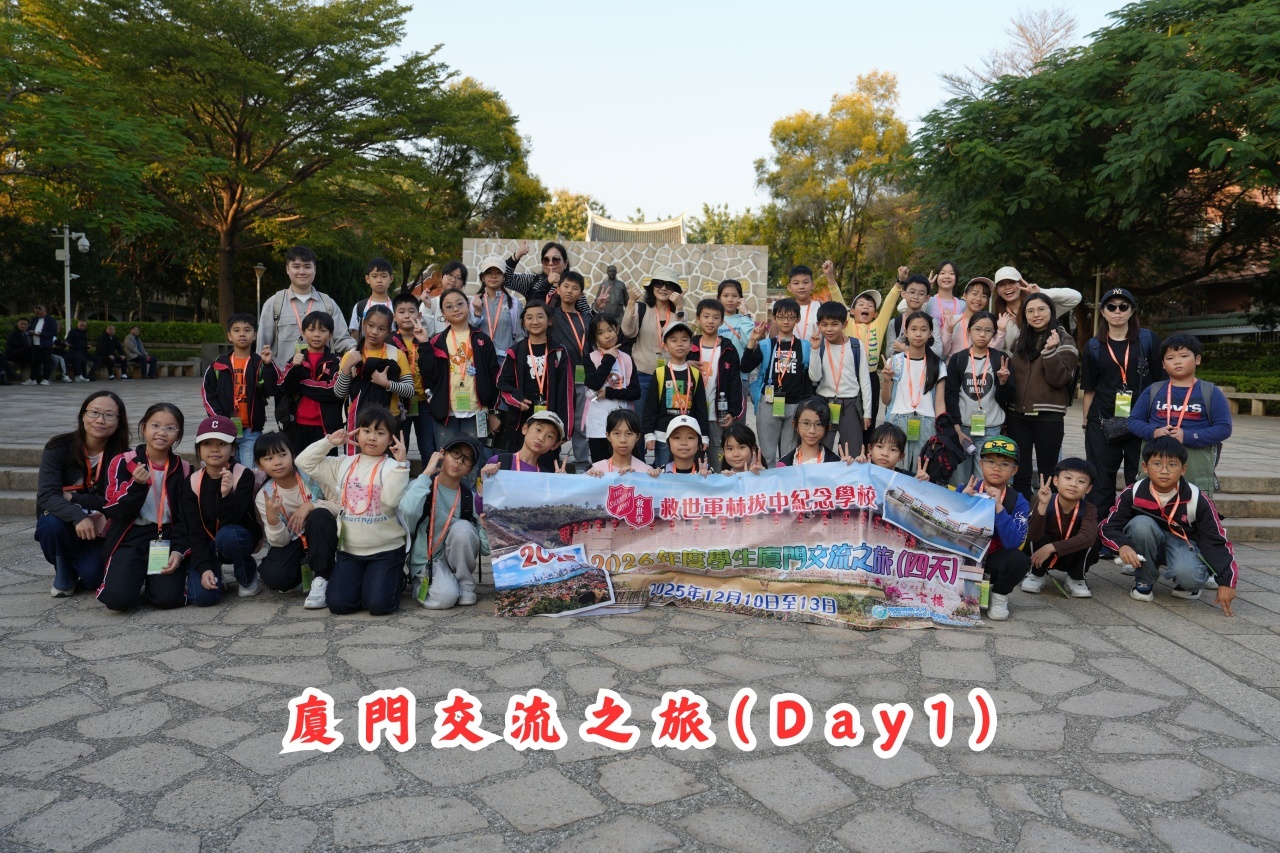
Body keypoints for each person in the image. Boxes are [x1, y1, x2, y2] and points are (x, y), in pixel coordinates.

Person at [1101, 436, 1237, 612]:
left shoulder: (1197, 498)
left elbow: (1215, 540)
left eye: (1172, 465)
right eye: (1157, 464)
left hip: (1184, 543)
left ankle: (1188, 579)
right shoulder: (1133, 492)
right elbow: (1108, 526)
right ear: (1145, 467)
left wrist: (1227, 581)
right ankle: (1145, 578)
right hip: (1148, 542)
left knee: (1190, 579)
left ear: (1183, 469)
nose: (1164, 471)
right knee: (1140, 524)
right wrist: (1122, 546)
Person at [296, 407, 411, 616]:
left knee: (378, 605)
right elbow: (303, 462)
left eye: (380, 433)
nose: (372, 438)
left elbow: (391, 500)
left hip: (385, 551)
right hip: (350, 552)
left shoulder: (394, 467)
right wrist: (329, 442)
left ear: (390, 439)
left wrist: (402, 464)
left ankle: (392, 579)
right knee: (338, 605)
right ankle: (370, 583)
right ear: (357, 433)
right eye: (366, 431)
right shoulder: (343, 463)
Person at [95, 403, 194, 611]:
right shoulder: (124, 462)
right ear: (143, 427)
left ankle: (153, 581)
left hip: (166, 538)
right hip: (131, 537)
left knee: (167, 599)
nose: (162, 432)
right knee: (118, 600)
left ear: (179, 434)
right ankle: (132, 574)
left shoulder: (184, 469)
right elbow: (114, 509)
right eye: (155, 425)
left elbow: (186, 518)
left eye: (170, 428)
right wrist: (137, 486)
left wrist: (178, 551)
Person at [37, 391, 130, 597]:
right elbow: (47, 495)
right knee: (51, 524)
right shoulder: (58, 447)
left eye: (109, 415)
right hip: (64, 522)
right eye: (94, 412)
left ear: (119, 422)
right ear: (82, 415)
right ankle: (64, 569)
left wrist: (74, 498)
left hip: (101, 529)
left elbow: (115, 501)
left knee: (92, 579)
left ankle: (81, 564)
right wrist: (78, 516)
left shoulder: (124, 456)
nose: (100, 420)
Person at [1082, 287, 1163, 518]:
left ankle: (1135, 528)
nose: (1117, 311)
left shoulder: (1148, 340)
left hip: (1142, 422)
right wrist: (1087, 424)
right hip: (1103, 420)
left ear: (1132, 311)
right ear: (1103, 312)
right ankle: (1100, 529)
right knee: (1100, 480)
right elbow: (1089, 388)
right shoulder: (1094, 346)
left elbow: (1161, 383)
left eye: (1123, 306)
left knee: (1138, 479)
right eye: (1111, 307)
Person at [1127, 333, 1231, 496]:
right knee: (1153, 501)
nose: (1177, 361)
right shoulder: (1154, 390)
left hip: (1194, 461)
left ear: (1197, 359)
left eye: (1183, 356)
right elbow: (1133, 421)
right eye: (1170, 358)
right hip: (1157, 457)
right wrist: (1154, 432)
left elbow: (1224, 428)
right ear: (1163, 364)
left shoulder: (1210, 392)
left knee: (1192, 503)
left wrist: (1188, 436)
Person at [416, 288, 501, 482]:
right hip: (446, 413)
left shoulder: (482, 339)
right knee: (446, 461)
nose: (455, 309)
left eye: (460, 304)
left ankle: (468, 499)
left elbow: (494, 376)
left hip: (476, 412)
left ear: (468, 306)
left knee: (471, 463)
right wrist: (424, 344)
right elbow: (429, 375)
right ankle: (446, 498)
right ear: (443, 313)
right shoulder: (437, 341)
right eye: (449, 306)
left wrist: (492, 412)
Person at [181, 416, 265, 604]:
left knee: (229, 535)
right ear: (199, 449)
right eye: (207, 443)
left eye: (222, 443)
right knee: (203, 598)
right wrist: (205, 567)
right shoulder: (192, 482)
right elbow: (194, 530)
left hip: (236, 536)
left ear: (233, 449)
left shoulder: (242, 475)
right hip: (207, 544)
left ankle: (247, 576)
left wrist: (226, 495)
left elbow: (234, 519)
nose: (214, 449)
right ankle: (215, 569)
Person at [1006, 294, 1080, 499]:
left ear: (1051, 311)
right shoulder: (1020, 340)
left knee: (1048, 474)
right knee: (1019, 471)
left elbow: (1060, 379)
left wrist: (1050, 352)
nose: (1036, 315)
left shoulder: (1064, 339)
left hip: (1048, 416)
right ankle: (1021, 512)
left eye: (1041, 309)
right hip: (1017, 415)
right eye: (1030, 311)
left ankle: (1046, 513)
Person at [253, 431, 339, 607]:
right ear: (259, 465)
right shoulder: (265, 495)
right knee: (274, 576)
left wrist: (311, 505)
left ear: (292, 455)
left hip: (325, 532)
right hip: (295, 540)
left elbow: (341, 505)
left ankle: (322, 578)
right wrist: (273, 520)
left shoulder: (312, 475)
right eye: (269, 458)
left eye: (282, 455)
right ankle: (304, 575)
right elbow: (280, 542)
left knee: (319, 516)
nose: (278, 462)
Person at [404, 436, 487, 610]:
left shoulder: (470, 498)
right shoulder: (421, 486)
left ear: (471, 468)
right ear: (442, 454)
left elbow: (485, 549)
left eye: (467, 459)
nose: (459, 461)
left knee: (463, 528)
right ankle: (423, 585)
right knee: (445, 598)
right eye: (455, 453)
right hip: (426, 562)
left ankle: (464, 584)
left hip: (454, 560)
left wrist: (486, 527)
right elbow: (407, 513)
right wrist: (426, 473)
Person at [495, 301, 573, 468]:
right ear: (523, 322)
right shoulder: (515, 351)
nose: (534, 321)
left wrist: (565, 429)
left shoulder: (559, 352)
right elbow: (502, 383)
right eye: (529, 318)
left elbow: (566, 391)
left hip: (550, 422)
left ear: (549, 320)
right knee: (520, 467)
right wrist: (517, 400)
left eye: (540, 317)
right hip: (521, 423)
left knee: (546, 468)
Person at [257, 246, 356, 375]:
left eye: (307, 267)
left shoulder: (328, 304)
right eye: (296, 266)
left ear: (315, 269)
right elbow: (262, 346)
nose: (302, 272)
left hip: (321, 380)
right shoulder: (274, 304)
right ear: (287, 269)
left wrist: (356, 350)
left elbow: (342, 339)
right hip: (283, 381)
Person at [965, 435, 1031, 622]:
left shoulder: (1018, 501)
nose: (996, 468)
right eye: (991, 461)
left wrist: (999, 508)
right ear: (981, 463)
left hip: (992, 562)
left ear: (1014, 470)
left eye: (1005, 464)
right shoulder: (966, 489)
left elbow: (1014, 542)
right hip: (964, 557)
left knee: (1019, 560)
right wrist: (962, 501)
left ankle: (1000, 596)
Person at [944, 311, 1014, 488]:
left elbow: (1007, 398)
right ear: (969, 331)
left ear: (994, 334)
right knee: (959, 481)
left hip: (991, 428)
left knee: (985, 480)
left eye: (988, 330)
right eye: (977, 329)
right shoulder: (958, 359)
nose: (982, 334)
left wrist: (1003, 382)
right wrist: (956, 428)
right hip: (962, 429)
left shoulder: (1001, 359)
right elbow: (950, 395)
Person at [201, 313, 277, 469]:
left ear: (254, 335)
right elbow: (207, 395)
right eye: (236, 330)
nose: (242, 334)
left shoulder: (260, 363)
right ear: (230, 335)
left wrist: (268, 365)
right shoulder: (218, 364)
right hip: (225, 430)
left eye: (247, 330)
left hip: (251, 430)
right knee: (228, 469)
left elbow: (271, 389)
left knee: (249, 470)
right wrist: (220, 420)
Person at [742, 298, 812, 467]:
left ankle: (785, 483)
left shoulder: (804, 346)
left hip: (795, 406)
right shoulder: (766, 345)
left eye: (790, 317)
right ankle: (769, 482)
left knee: (790, 454)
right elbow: (745, 366)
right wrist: (752, 341)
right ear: (774, 318)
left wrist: (807, 406)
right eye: (781, 317)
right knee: (767, 454)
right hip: (769, 403)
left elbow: (809, 378)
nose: (786, 321)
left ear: (798, 319)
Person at [336, 305, 414, 446]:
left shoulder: (397, 355)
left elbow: (409, 391)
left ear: (389, 331)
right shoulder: (350, 356)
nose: (374, 332)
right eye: (371, 325)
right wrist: (347, 367)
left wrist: (387, 384)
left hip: (389, 422)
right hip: (359, 424)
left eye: (381, 329)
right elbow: (339, 393)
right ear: (363, 324)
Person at [1022, 458, 1099, 598]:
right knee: (1036, 532)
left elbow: (1087, 538)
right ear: (1056, 481)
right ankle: (1035, 574)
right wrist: (1042, 506)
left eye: (1081, 481)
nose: (1073, 484)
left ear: (1088, 489)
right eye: (1068, 478)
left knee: (1093, 538)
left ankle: (1076, 578)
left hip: (1070, 555)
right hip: (1040, 556)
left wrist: (1051, 548)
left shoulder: (1089, 509)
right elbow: (1032, 535)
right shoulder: (1044, 501)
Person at [881, 311, 946, 470]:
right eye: (914, 329)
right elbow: (886, 400)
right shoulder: (894, 361)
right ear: (906, 332)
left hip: (927, 423)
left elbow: (939, 403)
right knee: (895, 470)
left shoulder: (937, 364)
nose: (918, 334)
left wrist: (941, 432)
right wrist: (887, 380)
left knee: (922, 472)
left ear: (930, 333)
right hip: (898, 421)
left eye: (923, 330)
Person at [642, 321, 710, 469]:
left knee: (687, 472)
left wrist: (704, 435)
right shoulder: (660, 373)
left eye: (684, 340)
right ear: (666, 346)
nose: (679, 344)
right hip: (663, 436)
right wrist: (648, 434)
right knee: (663, 472)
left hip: (688, 436)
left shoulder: (695, 374)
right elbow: (650, 407)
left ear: (691, 345)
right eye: (674, 340)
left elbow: (701, 408)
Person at [807, 301, 872, 453]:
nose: (829, 329)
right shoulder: (819, 345)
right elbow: (814, 378)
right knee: (821, 450)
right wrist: (815, 350)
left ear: (844, 324)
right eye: (824, 324)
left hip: (850, 404)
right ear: (818, 325)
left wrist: (867, 413)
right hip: (824, 403)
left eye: (834, 324)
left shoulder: (856, 345)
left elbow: (865, 381)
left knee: (854, 451)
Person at [621, 267, 684, 425]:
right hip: (642, 374)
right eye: (659, 283)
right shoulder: (640, 308)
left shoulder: (679, 312)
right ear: (652, 286)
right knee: (640, 422)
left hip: (670, 375)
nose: (663, 288)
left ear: (675, 290)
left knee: (668, 422)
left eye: (669, 285)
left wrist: (679, 308)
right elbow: (627, 331)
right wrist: (631, 302)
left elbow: (681, 337)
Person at [277, 310, 343, 456]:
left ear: (330, 334)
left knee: (325, 466)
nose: (316, 335)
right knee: (297, 465)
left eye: (323, 330)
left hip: (325, 427)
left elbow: (333, 391)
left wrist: (303, 384)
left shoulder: (336, 361)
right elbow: (284, 387)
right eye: (311, 330)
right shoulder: (296, 359)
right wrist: (295, 368)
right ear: (303, 332)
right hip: (297, 425)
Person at [690, 298, 745, 468]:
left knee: (719, 465)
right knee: (692, 465)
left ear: (722, 321)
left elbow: (735, 384)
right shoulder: (689, 347)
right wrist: (685, 364)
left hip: (717, 417)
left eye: (715, 317)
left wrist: (733, 412)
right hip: (692, 416)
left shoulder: (728, 349)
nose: (710, 321)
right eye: (706, 316)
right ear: (698, 319)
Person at [548, 270, 594, 469]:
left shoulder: (586, 318)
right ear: (558, 289)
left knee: (580, 421)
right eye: (565, 286)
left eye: (575, 288)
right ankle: (551, 460)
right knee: (556, 417)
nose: (569, 291)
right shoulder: (551, 316)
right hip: (559, 376)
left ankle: (582, 462)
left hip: (582, 377)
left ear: (581, 294)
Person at [582, 315, 640, 463]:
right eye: (601, 333)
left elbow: (635, 392)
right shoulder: (590, 358)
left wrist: (609, 393)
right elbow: (594, 383)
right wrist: (608, 358)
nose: (607, 335)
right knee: (600, 465)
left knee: (627, 464)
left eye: (610, 330)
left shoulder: (626, 358)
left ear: (617, 330)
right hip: (598, 423)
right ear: (595, 337)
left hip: (622, 424)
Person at [990, 266, 1082, 352]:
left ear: (1021, 284)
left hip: (1046, 362)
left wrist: (1041, 292)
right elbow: (993, 350)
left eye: (1011, 282)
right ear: (997, 290)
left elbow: (1075, 297)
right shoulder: (996, 318)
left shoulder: (1043, 309)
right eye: (1002, 284)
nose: (1007, 287)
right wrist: (1001, 331)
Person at [391, 290, 434, 463]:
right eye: (401, 312)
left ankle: (429, 479)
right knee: (402, 445)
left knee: (428, 447)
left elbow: (431, 369)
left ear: (419, 315)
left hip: (423, 402)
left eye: (411, 311)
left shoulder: (425, 339)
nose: (407, 315)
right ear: (394, 317)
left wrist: (424, 344)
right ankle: (400, 477)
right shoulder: (390, 342)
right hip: (400, 402)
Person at [469, 256, 525, 366]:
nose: (493, 276)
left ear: (504, 277)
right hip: (481, 360)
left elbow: (520, 337)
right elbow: (469, 332)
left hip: (506, 362)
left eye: (498, 272)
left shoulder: (514, 303)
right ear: (482, 277)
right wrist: (477, 314)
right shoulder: (474, 302)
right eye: (489, 272)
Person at [504, 241, 590, 311]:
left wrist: (596, 308)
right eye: (546, 259)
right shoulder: (532, 280)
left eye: (556, 259)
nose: (550, 263)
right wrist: (516, 256)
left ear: (565, 263)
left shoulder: (574, 287)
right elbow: (505, 279)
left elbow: (586, 317)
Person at [481, 410, 566, 475]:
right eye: (538, 430)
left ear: (555, 445)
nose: (541, 438)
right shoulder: (500, 461)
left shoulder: (545, 476)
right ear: (525, 429)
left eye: (549, 436)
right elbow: (482, 493)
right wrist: (483, 480)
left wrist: (560, 484)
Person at [716, 279, 757, 409]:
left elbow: (749, 341)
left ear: (740, 299)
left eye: (734, 296)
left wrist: (746, 314)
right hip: (718, 374)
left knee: (738, 414)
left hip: (739, 376)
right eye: (725, 296)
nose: (730, 300)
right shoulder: (715, 320)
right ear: (718, 298)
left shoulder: (745, 320)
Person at [942, 278, 1006, 358]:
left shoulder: (989, 323)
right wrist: (949, 329)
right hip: (955, 365)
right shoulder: (953, 320)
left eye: (984, 296)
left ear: (987, 302)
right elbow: (943, 352)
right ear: (965, 296)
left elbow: (993, 352)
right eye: (974, 294)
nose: (978, 299)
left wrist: (1001, 331)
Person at [777, 398, 845, 465]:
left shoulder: (836, 462)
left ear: (827, 428)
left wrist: (846, 468)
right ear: (795, 425)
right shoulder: (784, 464)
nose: (812, 430)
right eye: (806, 423)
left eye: (818, 424)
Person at [887, 276, 942, 359]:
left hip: (925, 367)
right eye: (912, 292)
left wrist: (906, 349)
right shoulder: (895, 323)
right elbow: (889, 354)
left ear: (927, 298)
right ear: (903, 294)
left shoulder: (932, 322)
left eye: (921, 294)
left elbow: (938, 352)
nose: (916, 297)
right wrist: (903, 335)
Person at [586, 409, 651, 475]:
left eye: (629, 433)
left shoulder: (646, 471)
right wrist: (588, 478)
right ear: (608, 436)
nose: (623, 440)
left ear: (637, 437)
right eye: (617, 433)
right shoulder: (596, 470)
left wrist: (654, 476)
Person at [348, 258, 396, 333]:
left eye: (384, 276)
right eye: (374, 276)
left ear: (391, 278)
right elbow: (355, 336)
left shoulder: (396, 307)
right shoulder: (360, 307)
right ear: (367, 279)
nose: (379, 280)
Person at [788, 265, 825, 340]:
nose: (801, 287)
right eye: (796, 283)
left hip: (816, 347)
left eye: (805, 282)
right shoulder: (784, 309)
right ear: (789, 287)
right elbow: (772, 338)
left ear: (812, 285)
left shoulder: (820, 307)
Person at [27, 305, 58, 385]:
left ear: (44, 311)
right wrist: (30, 332)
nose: (38, 315)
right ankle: (33, 378)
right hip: (35, 343)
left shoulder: (51, 320)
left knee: (46, 362)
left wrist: (41, 334)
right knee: (34, 362)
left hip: (45, 344)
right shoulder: (34, 319)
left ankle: (46, 378)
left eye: (39, 313)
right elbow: (29, 328)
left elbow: (53, 332)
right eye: (36, 313)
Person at [8, 318, 33, 384]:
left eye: (25, 324)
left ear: (28, 325)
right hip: (14, 355)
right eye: (21, 324)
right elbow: (22, 345)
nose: (23, 326)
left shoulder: (27, 334)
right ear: (18, 324)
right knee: (29, 351)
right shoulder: (14, 334)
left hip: (23, 355)